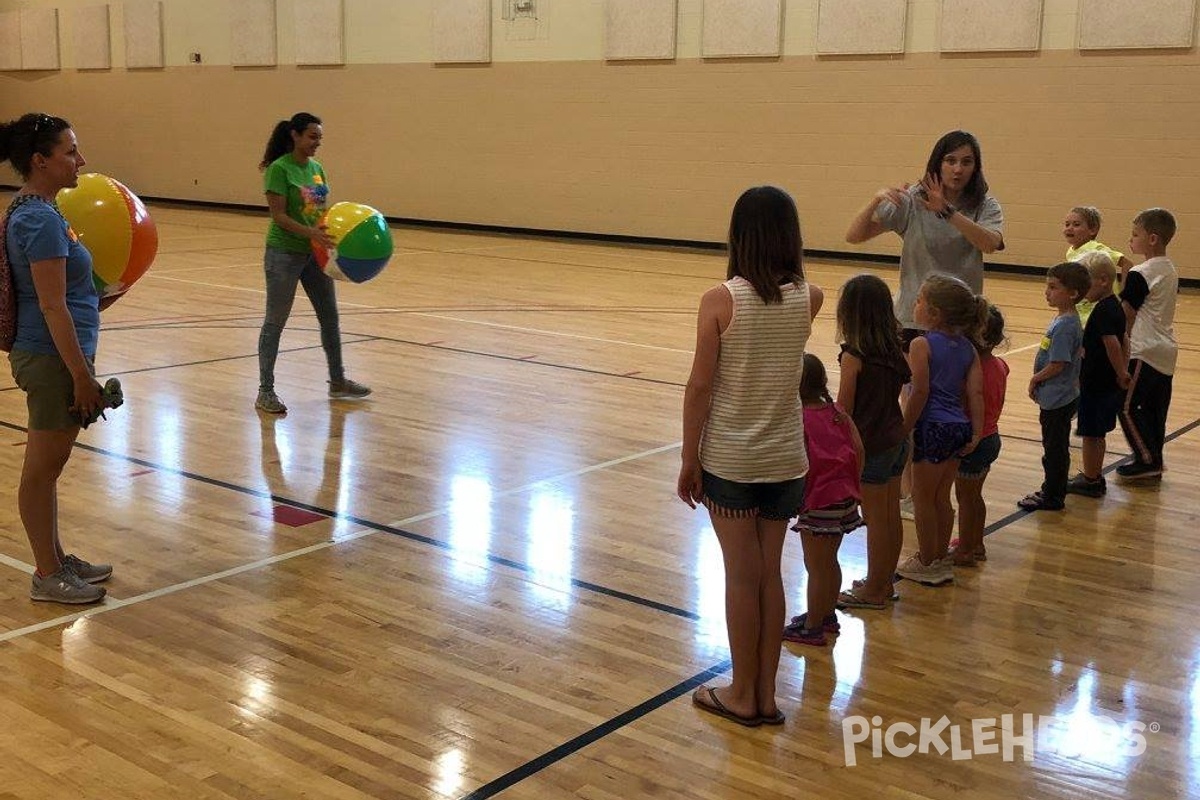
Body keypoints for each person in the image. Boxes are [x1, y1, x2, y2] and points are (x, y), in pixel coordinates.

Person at [678, 186, 823, 727]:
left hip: (732, 462)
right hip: (787, 460)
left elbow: (700, 387)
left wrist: (689, 459)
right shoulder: (810, 297)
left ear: (739, 235)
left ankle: (743, 694)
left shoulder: (720, 300)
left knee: (742, 577)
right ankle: (765, 694)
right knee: (771, 577)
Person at [844, 130, 1004, 518]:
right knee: (912, 401)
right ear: (937, 162)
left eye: (966, 162)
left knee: (954, 401)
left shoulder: (983, 202)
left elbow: (991, 243)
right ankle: (909, 487)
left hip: (960, 321)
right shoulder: (914, 199)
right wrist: (877, 200)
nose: (958, 169)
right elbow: (854, 235)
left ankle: (945, 478)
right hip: (914, 318)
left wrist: (947, 212)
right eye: (951, 160)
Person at [1, 113, 113, 604]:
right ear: (39, 161)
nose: (80, 161)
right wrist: (81, 376)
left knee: (52, 466)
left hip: (57, 355)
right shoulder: (38, 219)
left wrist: (100, 299)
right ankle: (46, 574)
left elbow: (62, 293)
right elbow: (50, 305)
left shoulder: (40, 210)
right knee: (43, 469)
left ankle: (57, 557)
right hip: (51, 360)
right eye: (70, 152)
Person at [256, 112, 370, 414]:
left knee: (330, 317)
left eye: (320, 137)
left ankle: (337, 380)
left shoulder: (317, 168)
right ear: (294, 135)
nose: (317, 143)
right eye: (312, 137)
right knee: (275, 321)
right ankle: (265, 391)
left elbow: (321, 209)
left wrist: (338, 232)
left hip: (315, 254)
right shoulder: (279, 170)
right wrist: (311, 234)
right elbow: (278, 216)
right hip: (283, 254)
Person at [895, 275, 985, 586]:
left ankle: (927, 559)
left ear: (933, 313)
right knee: (942, 498)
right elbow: (975, 393)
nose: (914, 305)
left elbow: (919, 391)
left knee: (922, 499)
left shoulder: (921, 344)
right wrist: (975, 431)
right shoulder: (968, 348)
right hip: (958, 427)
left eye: (919, 300)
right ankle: (940, 558)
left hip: (932, 428)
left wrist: (904, 427)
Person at [829, 274, 910, 610]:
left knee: (876, 520)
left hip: (870, 445)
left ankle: (875, 591)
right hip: (895, 438)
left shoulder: (854, 355)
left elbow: (844, 406)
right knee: (890, 516)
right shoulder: (894, 347)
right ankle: (882, 581)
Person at [782, 354, 863, 646]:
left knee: (816, 566)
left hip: (819, 501)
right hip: (845, 499)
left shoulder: (798, 419)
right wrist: (854, 484)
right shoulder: (838, 412)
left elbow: (796, 463)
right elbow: (858, 449)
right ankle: (825, 614)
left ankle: (813, 626)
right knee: (829, 562)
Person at [1019, 262, 1090, 511]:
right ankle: (1053, 489)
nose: (1047, 292)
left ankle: (1053, 495)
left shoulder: (1064, 326)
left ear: (1072, 293)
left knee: (1054, 449)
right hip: (1062, 393)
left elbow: (1058, 364)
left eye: (1053, 287)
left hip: (1057, 396)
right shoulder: (1065, 319)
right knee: (1055, 446)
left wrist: (1035, 378)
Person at [1117, 208, 1179, 482]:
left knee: (1126, 406)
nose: (1131, 240)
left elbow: (1127, 314)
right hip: (1167, 350)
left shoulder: (1141, 272)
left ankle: (1146, 460)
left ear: (1152, 239)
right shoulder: (1170, 268)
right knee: (1155, 411)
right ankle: (1154, 458)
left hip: (1144, 349)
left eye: (1135, 235)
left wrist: (1121, 348)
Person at [1065, 252, 1128, 498]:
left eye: (1085, 283)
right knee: (1096, 432)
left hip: (1097, 384)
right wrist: (1122, 368)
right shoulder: (1115, 306)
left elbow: (1112, 342)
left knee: (1091, 434)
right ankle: (1094, 475)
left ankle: (1091, 479)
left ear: (1103, 281)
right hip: (1104, 382)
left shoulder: (1102, 311)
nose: (1081, 290)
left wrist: (1121, 371)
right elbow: (1125, 339)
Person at [949, 304, 1008, 566]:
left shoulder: (971, 373)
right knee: (974, 496)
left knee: (966, 498)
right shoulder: (1000, 365)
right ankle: (976, 544)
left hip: (974, 440)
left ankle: (965, 549)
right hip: (991, 437)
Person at [1063, 205, 1134, 319]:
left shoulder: (1097, 249)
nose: (1069, 228)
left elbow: (1127, 264)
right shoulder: (1070, 251)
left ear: (1093, 230)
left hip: (1101, 307)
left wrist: (1124, 294)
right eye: (1067, 224)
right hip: (1083, 307)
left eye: (1076, 225)